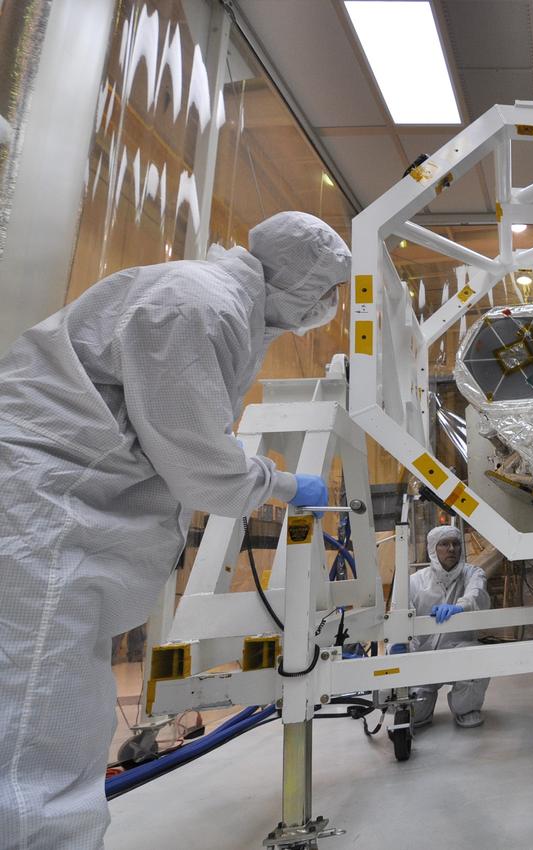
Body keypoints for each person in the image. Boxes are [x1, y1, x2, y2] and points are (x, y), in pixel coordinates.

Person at [0, 210, 350, 850]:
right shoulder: (198, 306)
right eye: (327, 288)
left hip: (53, 506)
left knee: (52, 705)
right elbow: (198, 463)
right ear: (299, 282)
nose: (330, 305)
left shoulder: (218, 305)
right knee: (36, 723)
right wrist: (278, 483)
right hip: (40, 511)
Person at [408, 525, 490, 728]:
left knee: (479, 658)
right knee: (414, 714)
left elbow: (476, 595)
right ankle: (422, 706)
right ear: (432, 549)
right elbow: (402, 614)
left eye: (455, 543)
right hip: (423, 654)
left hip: (457, 649)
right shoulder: (415, 582)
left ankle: (466, 708)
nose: (451, 549)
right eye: (444, 544)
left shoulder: (473, 573)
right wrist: (403, 649)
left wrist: (458, 608)